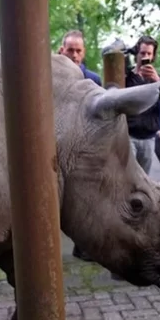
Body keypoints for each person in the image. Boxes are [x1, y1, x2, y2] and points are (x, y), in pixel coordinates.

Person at [58, 29, 101, 262]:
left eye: (78, 50)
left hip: (85, 146)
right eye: (70, 49)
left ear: (83, 53)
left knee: (86, 196)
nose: (74, 54)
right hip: (59, 146)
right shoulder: (50, 74)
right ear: (62, 49)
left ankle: (83, 245)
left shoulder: (92, 79)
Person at [124, 36, 160, 176]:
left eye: (149, 54)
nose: (145, 57)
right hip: (129, 137)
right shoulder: (127, 77)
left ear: (153, 56)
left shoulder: (157, 78)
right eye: (142, 53)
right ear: (137, 54)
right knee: (129, 178)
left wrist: (158, 81)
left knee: (143, 179)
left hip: (148, 138)